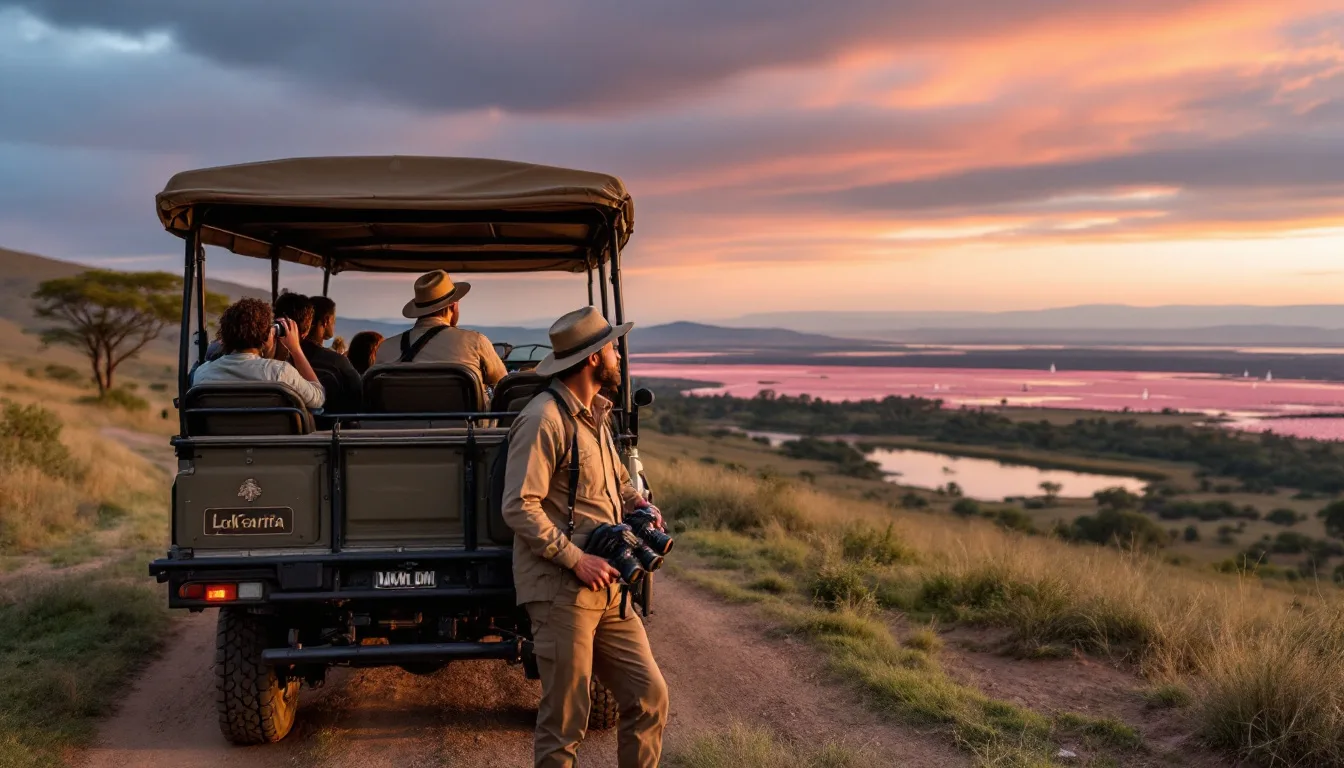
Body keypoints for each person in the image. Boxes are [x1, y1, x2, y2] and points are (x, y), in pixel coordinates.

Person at [501, 306, 668, 768]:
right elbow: (519, 505)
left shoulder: (597, 415)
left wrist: (640, 506)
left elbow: (619, 482)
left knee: (649, 696)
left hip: (609, 588)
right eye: (612, 347)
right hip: (562, 590)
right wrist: (577, 559)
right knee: (566, 722)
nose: (618, 355)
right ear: (593, 357)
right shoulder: (543, 419)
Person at [374, 270, 507, 387]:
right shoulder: (475, 342)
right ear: (453, 306)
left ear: (418, 309)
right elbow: (503, 384)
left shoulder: (385, 349)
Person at [191, 298, 325, 410]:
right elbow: (318, 397)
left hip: (220, 435)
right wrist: (296, 349)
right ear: (265, 336)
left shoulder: (203, 373)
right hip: (270, 434)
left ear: (224, 335)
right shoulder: (280, 373)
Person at [301, 295, 363, 413]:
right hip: (333, 421)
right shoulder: (337, 362)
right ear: (326, 320)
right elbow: (357, 394)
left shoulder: (289, 357)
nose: (334, 324)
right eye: (333, 321)